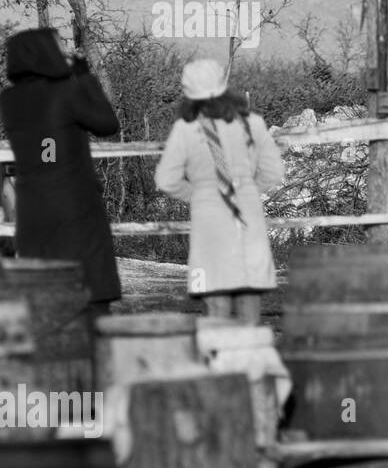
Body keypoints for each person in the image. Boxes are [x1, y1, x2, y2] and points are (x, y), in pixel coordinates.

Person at [0, 27, 122, 313]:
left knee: (50, 301)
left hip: (34, 212)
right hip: (74, 210)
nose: (64, 51)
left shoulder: (10, 100)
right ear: (45, 54)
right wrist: (85, 76)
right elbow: (107, 124)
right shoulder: (67, 92)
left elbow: (47, 145)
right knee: (90, 299)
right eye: (58, 46)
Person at [154, 59, 284, 323]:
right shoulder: (253, 123)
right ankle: (249, 355)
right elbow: (273, 173)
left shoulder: (185, 129)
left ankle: (217, 353)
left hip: (208, 216)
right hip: (247, 212)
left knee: (213, 287)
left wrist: (200, 193)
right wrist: (244, 190)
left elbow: (166, 179)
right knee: (249, 287)